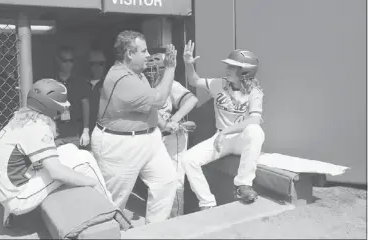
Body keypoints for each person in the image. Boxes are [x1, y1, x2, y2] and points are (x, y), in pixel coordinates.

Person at [0, 78, 114, 227]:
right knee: (86, 160)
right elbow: (56, 172)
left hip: (7, 190)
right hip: (17, 198)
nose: (65, 107)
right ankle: (113, 210)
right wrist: (92, 182)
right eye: (61, 103)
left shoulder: (22, 117)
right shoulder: (37, 126)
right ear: (49, 105)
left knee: (69, 149)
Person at [91, 30, 177, 224]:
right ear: (129, 53)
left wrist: (164, 124)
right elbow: (159, 99)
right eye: (144, 51)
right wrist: (171, 67)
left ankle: (153, 232)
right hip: (120, 143)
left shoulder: (137, 74)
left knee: (166, 181)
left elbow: (147, 108)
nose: (148, 55)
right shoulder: (121, 78)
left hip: (150, 139)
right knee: (113, 202)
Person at [181, 40, 265, 210]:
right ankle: (207, 203)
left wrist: (226, 131)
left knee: (255, 131)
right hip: (221, 140)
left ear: (244, 72)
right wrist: (188, 64)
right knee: (188, 159)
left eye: (232, 67)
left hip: (240, 138)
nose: (227, 69)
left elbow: (254, 120)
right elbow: (194, 80)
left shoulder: (255, 92)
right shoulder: (218, 84)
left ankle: (243, 185)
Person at [144, 53, 198, 217]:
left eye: (157, 68)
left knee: (175, 181)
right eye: (149, 69)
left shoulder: (170, 84)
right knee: (158, 182)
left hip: (171, 137)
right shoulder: (141, 85)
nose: (151, 73)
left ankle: (175, 220)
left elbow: (192, 100)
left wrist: (174, 119)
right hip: (153, 136)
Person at [51, 46, 90, 147]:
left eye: (71, 61)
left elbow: (85, 105)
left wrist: (85, 130)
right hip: (55, 131)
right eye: (65, 61)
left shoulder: (80, 81)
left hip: (74, 131)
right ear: (58, 60)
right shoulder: (50, 81)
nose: (68, 64)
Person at [87, 49, 108, 133]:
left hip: (103, 130)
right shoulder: (81, 84)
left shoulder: (109, 84)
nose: (97, 67)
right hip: (84, 130)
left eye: (101, 64)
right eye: (93, 64)